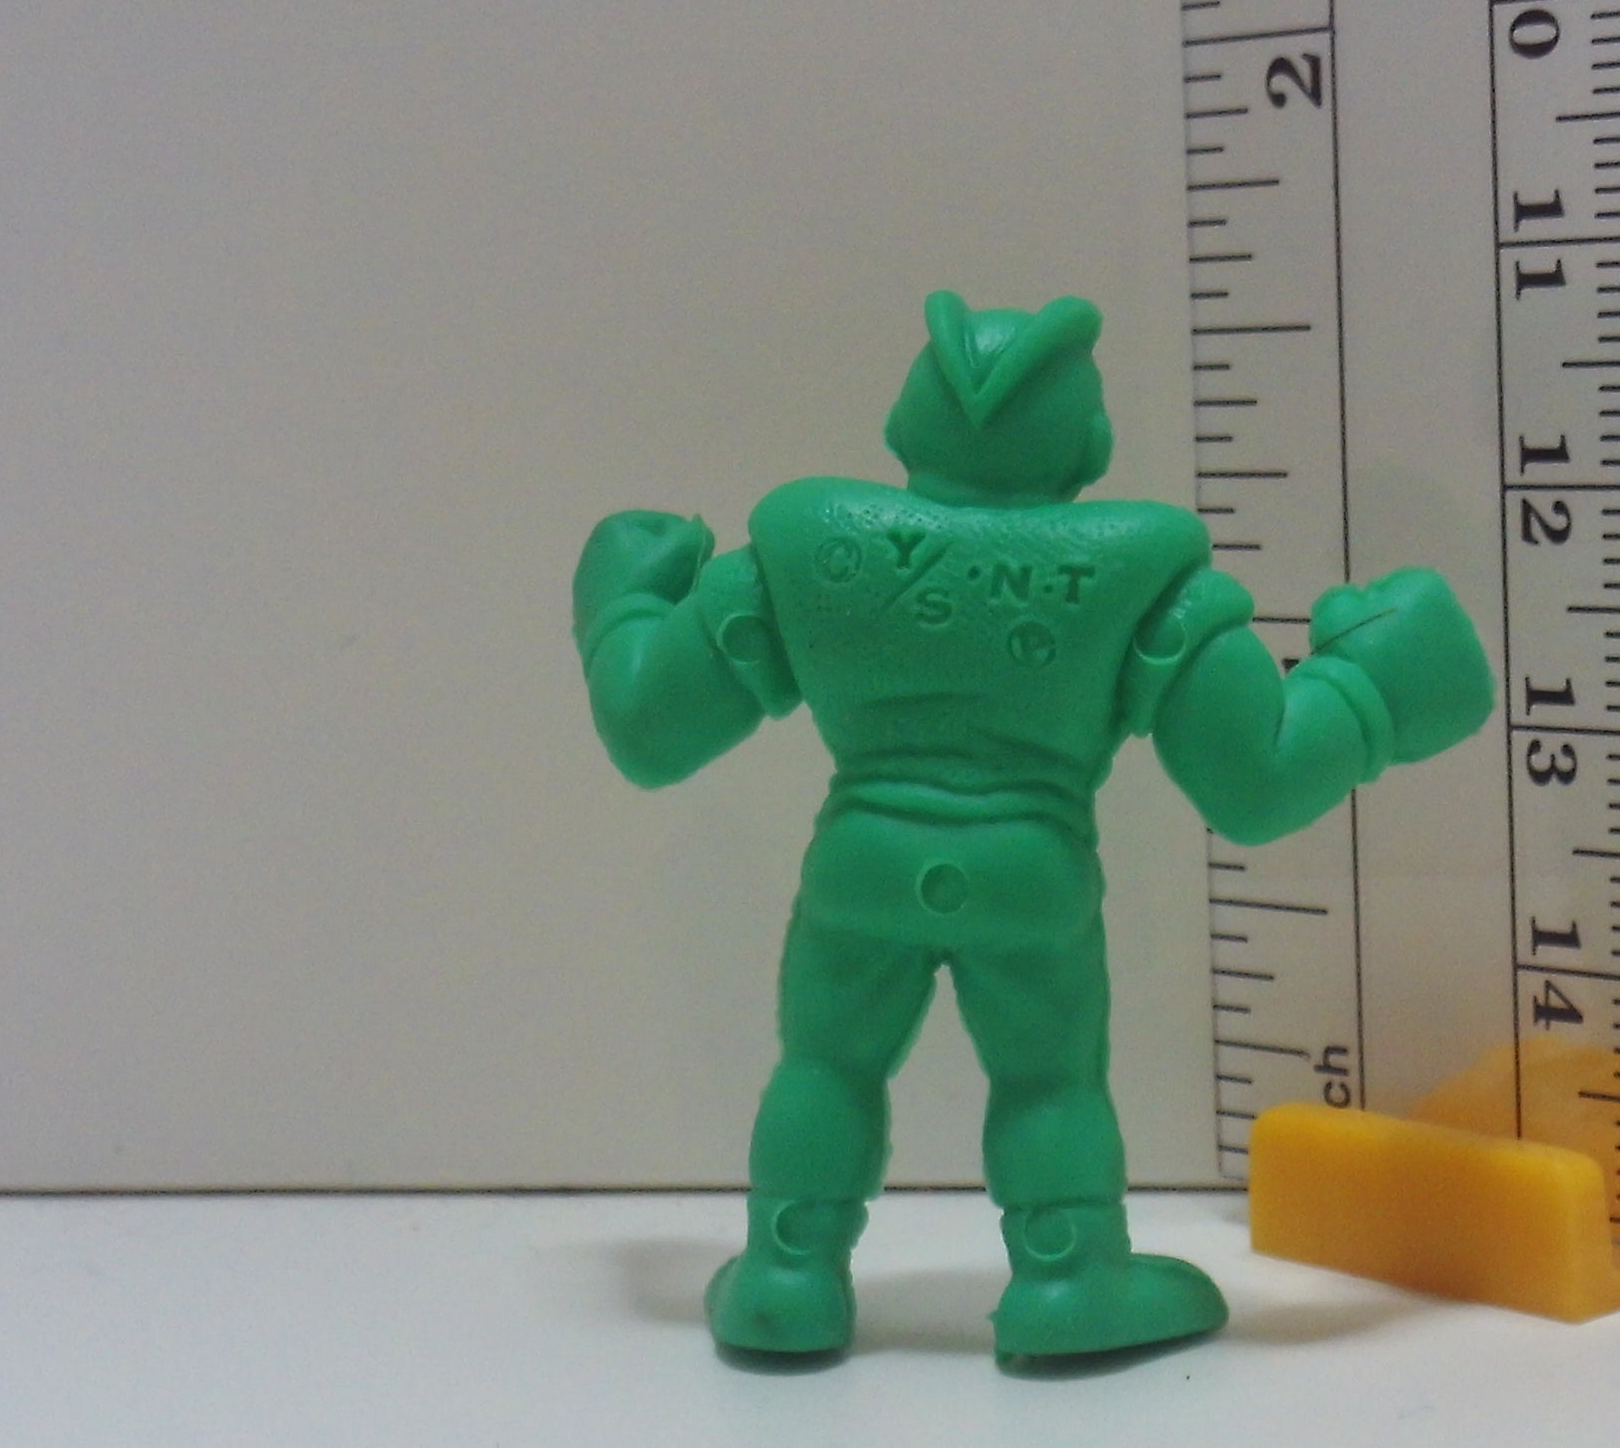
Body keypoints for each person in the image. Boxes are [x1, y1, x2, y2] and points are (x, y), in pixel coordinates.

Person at [573, 291, 1492, 1358]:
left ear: (902, 426)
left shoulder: (803, 547)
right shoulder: (1141, 574)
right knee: (1048, 1080)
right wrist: (1372, 689)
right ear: (1088, 446)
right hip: (1030, 879)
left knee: (824, 1066)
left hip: (861, 866)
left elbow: (649, 726)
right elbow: (1256, 777)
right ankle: (1069, 1275)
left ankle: (789, 1271)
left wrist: (623, 605)